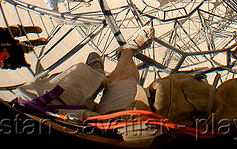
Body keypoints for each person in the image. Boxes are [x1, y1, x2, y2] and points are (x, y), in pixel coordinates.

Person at [13, 26, 154, 117]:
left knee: (79, 75)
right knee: (127, 84)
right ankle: (126, 52)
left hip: (42, 108)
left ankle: (104, 68)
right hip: (102, 131)